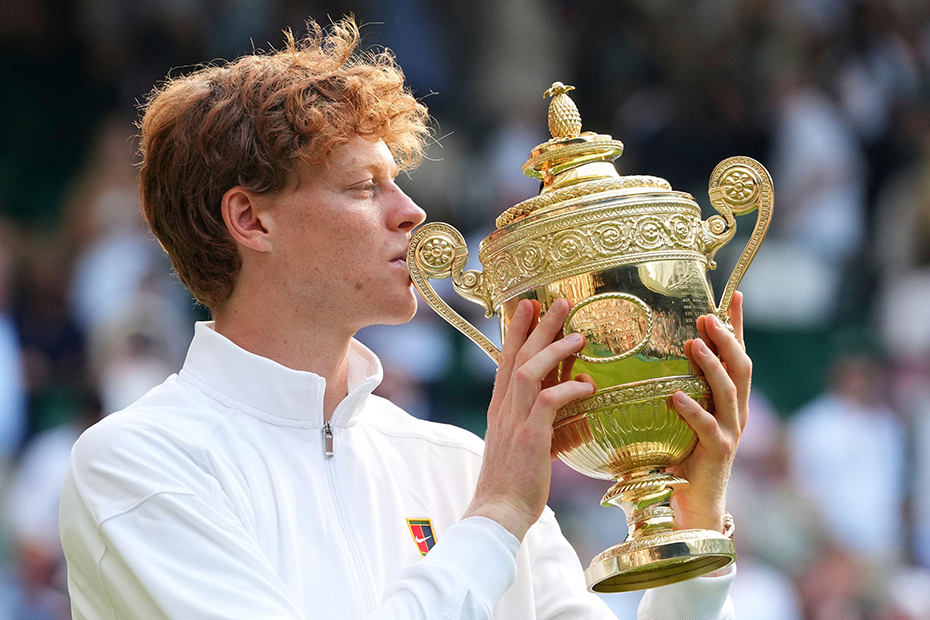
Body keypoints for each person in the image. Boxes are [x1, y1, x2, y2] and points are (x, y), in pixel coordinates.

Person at [58, 18, 751, 620]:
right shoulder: (137, 462)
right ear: (250, 219)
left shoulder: (461, 465)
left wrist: (694, 533)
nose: (411, 213)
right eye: (364, 187)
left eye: (398, 181)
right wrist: (497, 519)